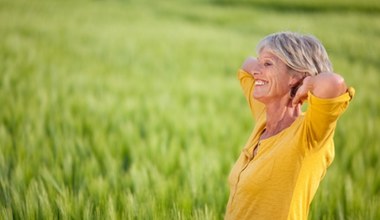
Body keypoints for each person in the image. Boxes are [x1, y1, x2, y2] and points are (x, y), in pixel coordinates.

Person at [224, 32, 355, 220]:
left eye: (268, 64)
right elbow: (247, 65)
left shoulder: (309, 134)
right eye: (260, 63)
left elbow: (334, 83)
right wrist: (268, 64)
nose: (256, 71)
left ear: (295, 76)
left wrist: (307, 82)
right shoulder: (265, 116)